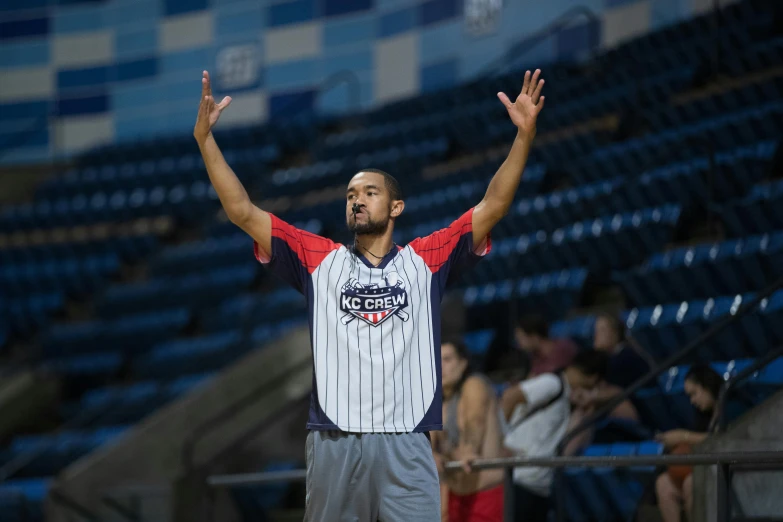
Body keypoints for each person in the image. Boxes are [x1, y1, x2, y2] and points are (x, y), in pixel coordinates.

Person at [193, 68, 546, 521]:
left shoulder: (427, 258)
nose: (356, 200)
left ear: (395, 206)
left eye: (369, 192)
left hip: (409, 440)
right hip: (335, 439)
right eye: (350, 194)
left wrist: (523, 138)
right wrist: (206, 141)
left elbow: (493, 205)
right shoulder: (317, 258)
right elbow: (242, 210)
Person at [500, 350, 609, 522]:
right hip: (519, 480)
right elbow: (509, 397)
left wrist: (584, 408)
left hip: (539, 486)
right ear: (592, 378)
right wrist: (501, 441)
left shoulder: (567, 399)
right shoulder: (552, 383)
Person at [431, 339, 505, 522]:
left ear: (463, 363)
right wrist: (430, 453)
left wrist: (470, 449)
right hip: (455, 496)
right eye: (437, 361)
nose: (441, 366)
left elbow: (475, 422)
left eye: (447, 360)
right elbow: (428, 442)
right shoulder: (436, 401)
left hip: (485, 494)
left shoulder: (474, 385)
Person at [562, 312, 652, 454]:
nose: (596, 335)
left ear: (615, 334)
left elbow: (619, 392)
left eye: (602, 330)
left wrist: (589, 397)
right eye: (596, 331)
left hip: (637, 413)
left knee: (585, 411)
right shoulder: (607, 359)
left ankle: (563, 458)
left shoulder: (626, 357)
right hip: (612, 412)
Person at [655, 364, 723, 522]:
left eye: (694, 394)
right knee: (663, 483)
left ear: (708, 386)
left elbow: (724, 438)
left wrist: (683, 436)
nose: (693, 401)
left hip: (728, 469)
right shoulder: (703, 415)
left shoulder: (733, 405)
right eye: (689, 397)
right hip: (706, 467)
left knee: (690, 483)